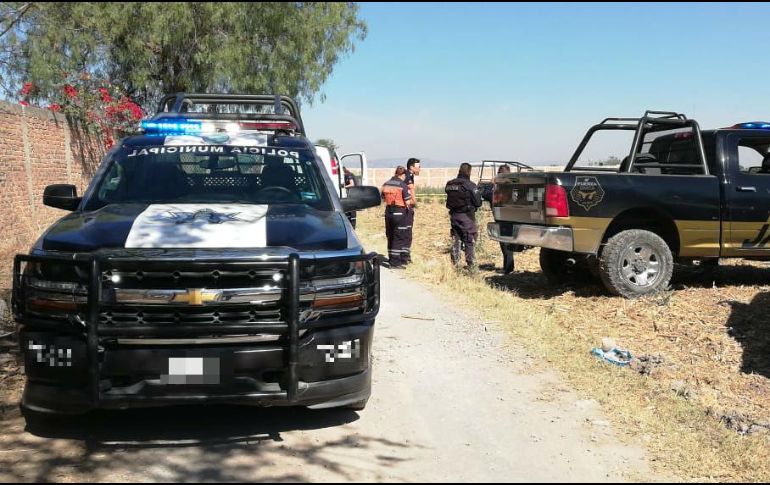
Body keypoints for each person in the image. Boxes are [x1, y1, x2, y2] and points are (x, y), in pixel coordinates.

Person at [445, 162, 483, 270]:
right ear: (469, 172)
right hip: (466, 217)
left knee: (455, 240)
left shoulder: (450, 184)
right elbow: (478, 203)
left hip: (453, 216)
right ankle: (471, 266)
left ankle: (455, 264)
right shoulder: (470, 185)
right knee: (469, 240)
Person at [381, 166, 412, 268]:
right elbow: (408, 202)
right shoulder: (402, 185)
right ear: (402, 175)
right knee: (398, 236)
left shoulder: (386, 184)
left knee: (390, 235)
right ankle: (395, 263)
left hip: (388, 212)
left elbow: (382, 198)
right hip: (399, 212)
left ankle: (391, 259)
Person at [496, 164, 516, 274]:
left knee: (506, 245)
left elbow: (488, 195)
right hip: (510, 217)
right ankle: (508, 267)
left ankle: (508, 268)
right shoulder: (514, 184)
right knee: (506, 245)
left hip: (505, 218)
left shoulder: (503, 186)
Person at [403, 157, 420, 265]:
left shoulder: (409, 175)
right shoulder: (408, 176)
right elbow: (411, 189)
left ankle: (405, 255)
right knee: (407, 232)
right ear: (411, 167)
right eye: (418, 167)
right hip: (406, 207)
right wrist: (414, 202)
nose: (420, 169)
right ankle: (405, 256)